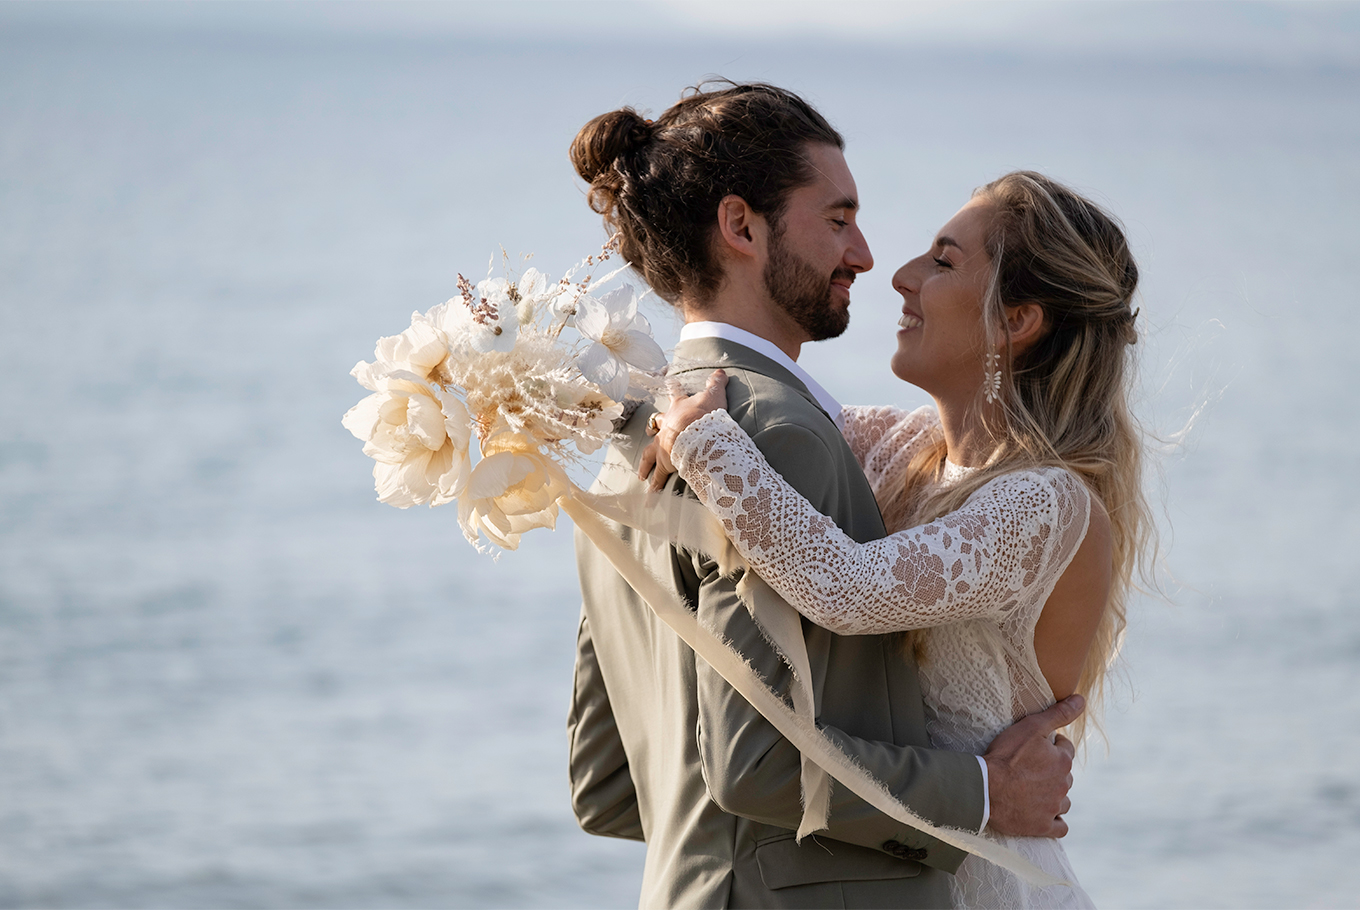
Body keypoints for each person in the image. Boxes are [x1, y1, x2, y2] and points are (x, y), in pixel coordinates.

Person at [567, 82, 1082, 909]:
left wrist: (714, 849)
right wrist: (985, 794)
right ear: (742, 227)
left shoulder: (631, 440)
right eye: (838, 219)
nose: (866, 256)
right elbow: (757, 768)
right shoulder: (774, 438)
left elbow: (606, 787)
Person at [644, 170, 1152, 907]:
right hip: (893, 868)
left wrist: (704, 447)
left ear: (1015, 321)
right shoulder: (907, 446)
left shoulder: (1046, 504)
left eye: (943, 261)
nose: (902, 276)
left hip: (988, 881)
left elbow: (847, 589)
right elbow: (766, 405)